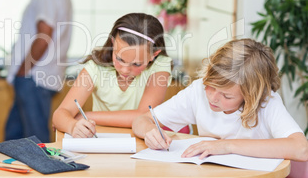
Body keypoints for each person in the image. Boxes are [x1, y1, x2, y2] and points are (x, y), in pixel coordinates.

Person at [132, 38, 308, 161]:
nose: (213, 98)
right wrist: (149, 131)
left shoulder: (267, 102)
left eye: (227, 95)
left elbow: (301, 149)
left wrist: (227, 146)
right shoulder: (198, 91)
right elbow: (142, 119)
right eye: (211, 85)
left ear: (250, 96)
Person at [53, 13, 173, 138]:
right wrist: (72, 126)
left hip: (141, 144)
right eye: (119, 59)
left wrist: (86, 116)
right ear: (113, 43)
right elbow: (59, 115)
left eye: (137, 64)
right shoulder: (95, 68)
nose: (125, 70)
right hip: (100, 141)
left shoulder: (160, 65)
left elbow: (143, 116)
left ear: (154, 54)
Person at [5, 0, 73, 143]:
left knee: (34, 141)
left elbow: (44, 35)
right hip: (38, 76)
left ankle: (42, 174)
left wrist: (23, 69)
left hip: (34, 77)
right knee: (14, 137)